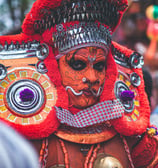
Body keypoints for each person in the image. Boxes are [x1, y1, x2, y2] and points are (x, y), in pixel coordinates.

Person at [0, 0, 157, 167]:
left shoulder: (132, 139)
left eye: (99, 66)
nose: (92, 77)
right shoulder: (22, 139)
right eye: (78, 65)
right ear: (53, 66)